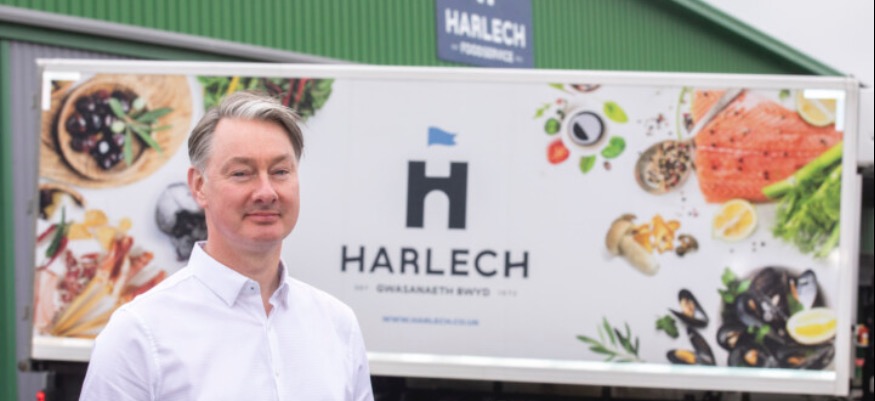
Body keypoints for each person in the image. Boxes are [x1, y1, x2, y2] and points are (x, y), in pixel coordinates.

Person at [80, 91, 374, 400]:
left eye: (280, 172)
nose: (266, 192)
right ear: (199, 186)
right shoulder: (139, 334)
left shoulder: (337, 326)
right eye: (242, 173)